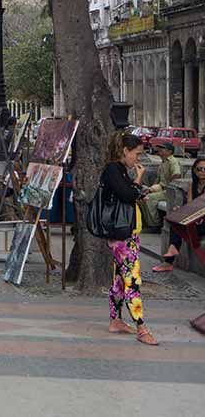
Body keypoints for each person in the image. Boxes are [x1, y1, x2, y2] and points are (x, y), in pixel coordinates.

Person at [100, 132, 158, 345]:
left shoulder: (119, 170)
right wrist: (139, 181)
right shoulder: (113, 169)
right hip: (122, 237)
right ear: (125, 151)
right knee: (132, 281)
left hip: (127, 234)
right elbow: (126, 195)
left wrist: (136, 185)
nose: (138, 158)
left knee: (119, 281)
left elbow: (127, 193)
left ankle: (115, 320)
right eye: (137, 153)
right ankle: (141, 328)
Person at [154, 156, 205, 273]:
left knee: (181, 225)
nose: (202, 172)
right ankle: (170, 255)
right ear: (194, 170)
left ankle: (169, 259)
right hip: (196, 219)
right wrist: (182, 209)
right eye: (199, 169)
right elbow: (190, 204)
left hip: (202, 221)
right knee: (176, 223)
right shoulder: (194, 185)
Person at [142, 142, 181, 230]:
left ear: (169, 151)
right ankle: (147, 222)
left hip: (170, 191)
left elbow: (177, 174)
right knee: (142, 196)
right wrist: (150, 188)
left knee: (149, 199)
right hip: (161, 188)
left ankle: (155, 224)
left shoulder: (173, 161)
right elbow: (159, 180)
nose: (159, 150)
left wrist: (170, 186)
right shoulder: (163, 162)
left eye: (162, 148)